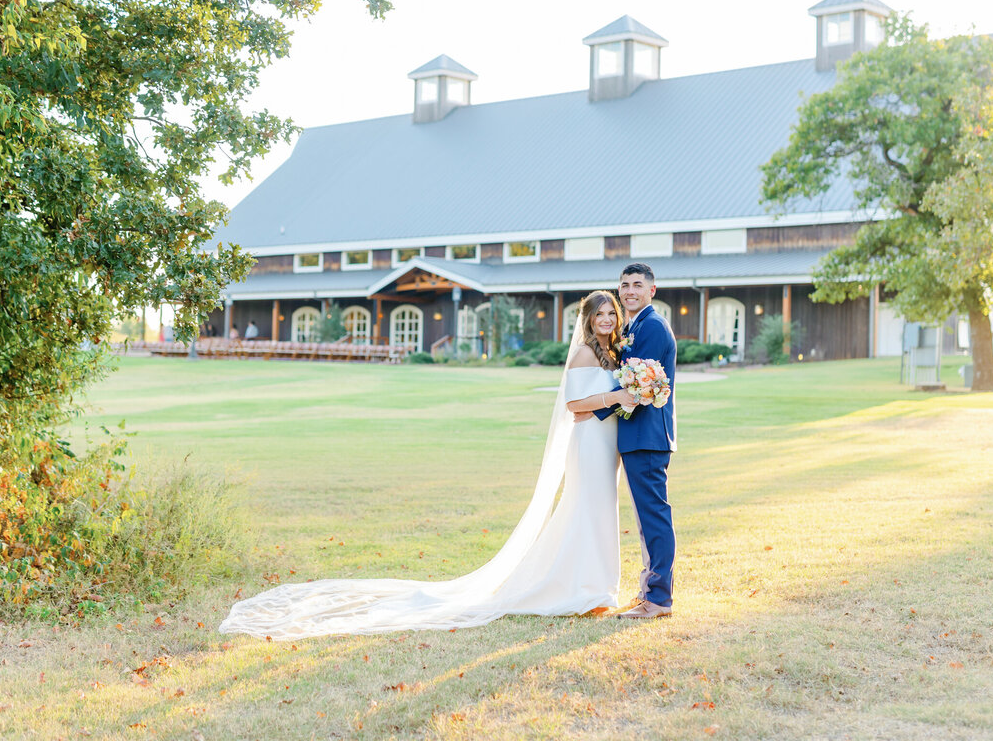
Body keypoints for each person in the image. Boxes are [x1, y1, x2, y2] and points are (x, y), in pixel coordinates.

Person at [218, 290, 637, 640]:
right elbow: (574, 405)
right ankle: (583, 588)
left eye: (611, 314)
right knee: (584, 510)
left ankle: (597, 585)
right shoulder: (584, 353)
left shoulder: (611, 351)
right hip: (587, 443)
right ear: (587, 319)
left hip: (606, 444)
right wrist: (616, 397)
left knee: (601, 511)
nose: (606, 319)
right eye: (599, 314)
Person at [589, 262, 677, 620]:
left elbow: (638, 385)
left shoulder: (652, 326)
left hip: (647, 436)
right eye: (624, 285)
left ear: (651, 290)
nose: (629, 291)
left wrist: (591, 408)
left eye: (637, 285)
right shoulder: (634, 325)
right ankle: (648, 591)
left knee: (654, 518)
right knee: (646, 519)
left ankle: (658, 599)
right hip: (637, 437)